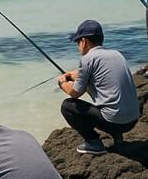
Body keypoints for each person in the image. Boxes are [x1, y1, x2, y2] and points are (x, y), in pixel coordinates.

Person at [59, 19, 140, 155]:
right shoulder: (116, 54)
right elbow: (93, 74)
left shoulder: (87, 59)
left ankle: (94, 143)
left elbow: (75, 93)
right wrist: (73, 75)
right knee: (107, 97)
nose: (78, 46)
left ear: (84, 42)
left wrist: (62, 83)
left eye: (78, 42)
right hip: (132, 120)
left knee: (67, 106)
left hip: (115, 122)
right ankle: (117, 137)